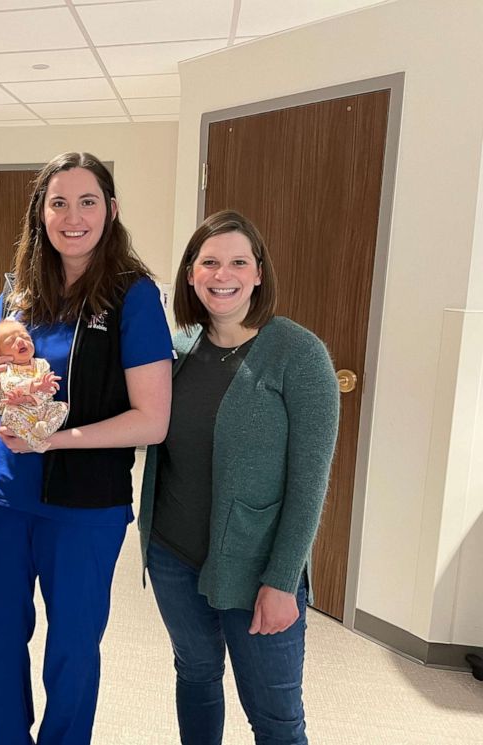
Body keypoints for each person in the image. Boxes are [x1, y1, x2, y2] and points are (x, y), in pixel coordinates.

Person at [0, 152, 173, 745]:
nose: (73, 216)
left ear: (111, 210)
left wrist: (54, 439)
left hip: (85, 509)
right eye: (59, 202)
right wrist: (10, 391)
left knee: (73, 649)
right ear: (41, 212)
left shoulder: (134, 296)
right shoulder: (22, 288)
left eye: (88, 201)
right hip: (3, 497)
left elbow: (151, 420)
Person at [137, 210, 340, 745]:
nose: (222, 274)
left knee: (275, 718)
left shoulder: (299, 353)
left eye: (237, 262)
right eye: (209, 262)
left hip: (258, 569)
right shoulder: (177, 350)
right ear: (190, 274)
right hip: (173, 556)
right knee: (196, 677)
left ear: (257, 274)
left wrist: (281, 581)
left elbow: (310, 483)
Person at [0, 319, 66, 453]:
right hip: (19, 410)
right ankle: (34, 441)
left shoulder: (41, 364)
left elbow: (47, 390)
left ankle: (44, 429)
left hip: (41, 406)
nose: (21, 342)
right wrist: (35, 386)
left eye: (25, 337)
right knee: (10, 417)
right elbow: (10, 386)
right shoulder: (6, 369)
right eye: (11, 341)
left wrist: (34, 394)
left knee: (61, 408)